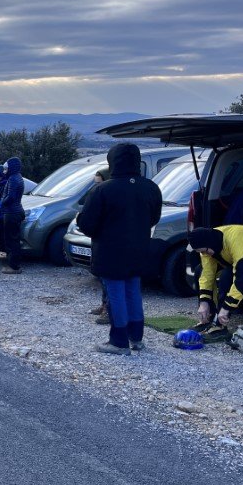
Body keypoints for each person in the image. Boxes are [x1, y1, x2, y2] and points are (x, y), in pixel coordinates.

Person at [78, 143, 162, 355]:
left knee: (116, 294)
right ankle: (137, 338)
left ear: (112, 161)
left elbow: (87, 224)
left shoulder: (103, 190)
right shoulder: (151, 188)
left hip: (110, 251)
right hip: (140, 249)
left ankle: (118, 341)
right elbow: (154, 219)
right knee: (133, 291)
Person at [188, 225, 243, 343]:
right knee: (199, 270)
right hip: (237, 259)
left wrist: (226, 308)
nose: (205, 254)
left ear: (210, 244)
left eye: (205, 251)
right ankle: (208, 318)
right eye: (201, 252)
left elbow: (242, 278)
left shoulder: (239, 239)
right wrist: (204, 302)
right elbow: (207, 274)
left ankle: (220, 325)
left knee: (226, 276)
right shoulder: (207, 244)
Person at [84, 168, 111, 323]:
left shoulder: (108, 197)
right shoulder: (98, 195)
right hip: (98, 240)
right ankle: (104, 305)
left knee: (108, 279)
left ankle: (108, 310)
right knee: (102, 278)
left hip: (106, 242)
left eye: (99, 183)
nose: (96, 187)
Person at [0, 157, 25, 274]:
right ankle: (14, 264)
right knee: (13, 239)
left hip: (11, 212)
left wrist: (1, 203)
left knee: (11, 240)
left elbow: (11, 197)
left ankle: (14, 266)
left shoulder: (14, 179)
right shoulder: (17, 177)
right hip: (15, 211)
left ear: (12, 168)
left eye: (6, 168)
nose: (4, 171)